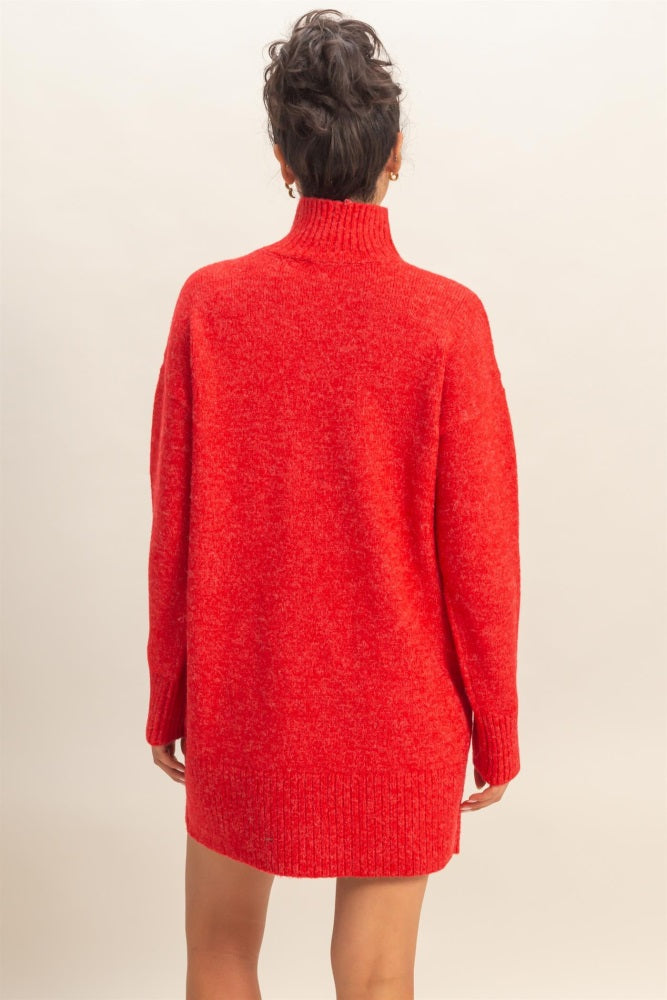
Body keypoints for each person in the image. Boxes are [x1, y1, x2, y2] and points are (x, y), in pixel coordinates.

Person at [145, 9, 522, 999]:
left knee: (219, 954)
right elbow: (480, 548)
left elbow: (174, 524)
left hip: (245, 694)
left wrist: (169, 692)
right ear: (394, 155)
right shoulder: (447, 320)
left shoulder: (211, 305)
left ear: (283, 158)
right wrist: (496, 722)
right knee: (377, 976)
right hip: (401, 707)